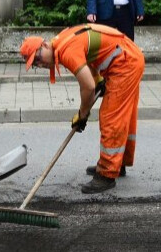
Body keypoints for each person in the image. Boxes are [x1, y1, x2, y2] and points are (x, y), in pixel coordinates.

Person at [19, 23, 145, 193]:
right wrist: (99, 79)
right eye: (35, 64)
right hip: (127, 57)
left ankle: (107, 175)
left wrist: (82, 115)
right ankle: (118, 162)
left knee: (111, 118)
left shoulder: (66, 51)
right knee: (123, 116)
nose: (39, 64)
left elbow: (88, 87)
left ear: (45, 45)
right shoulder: (62, 40)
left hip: (125, 64)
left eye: (38, 58)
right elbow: (90, 55)